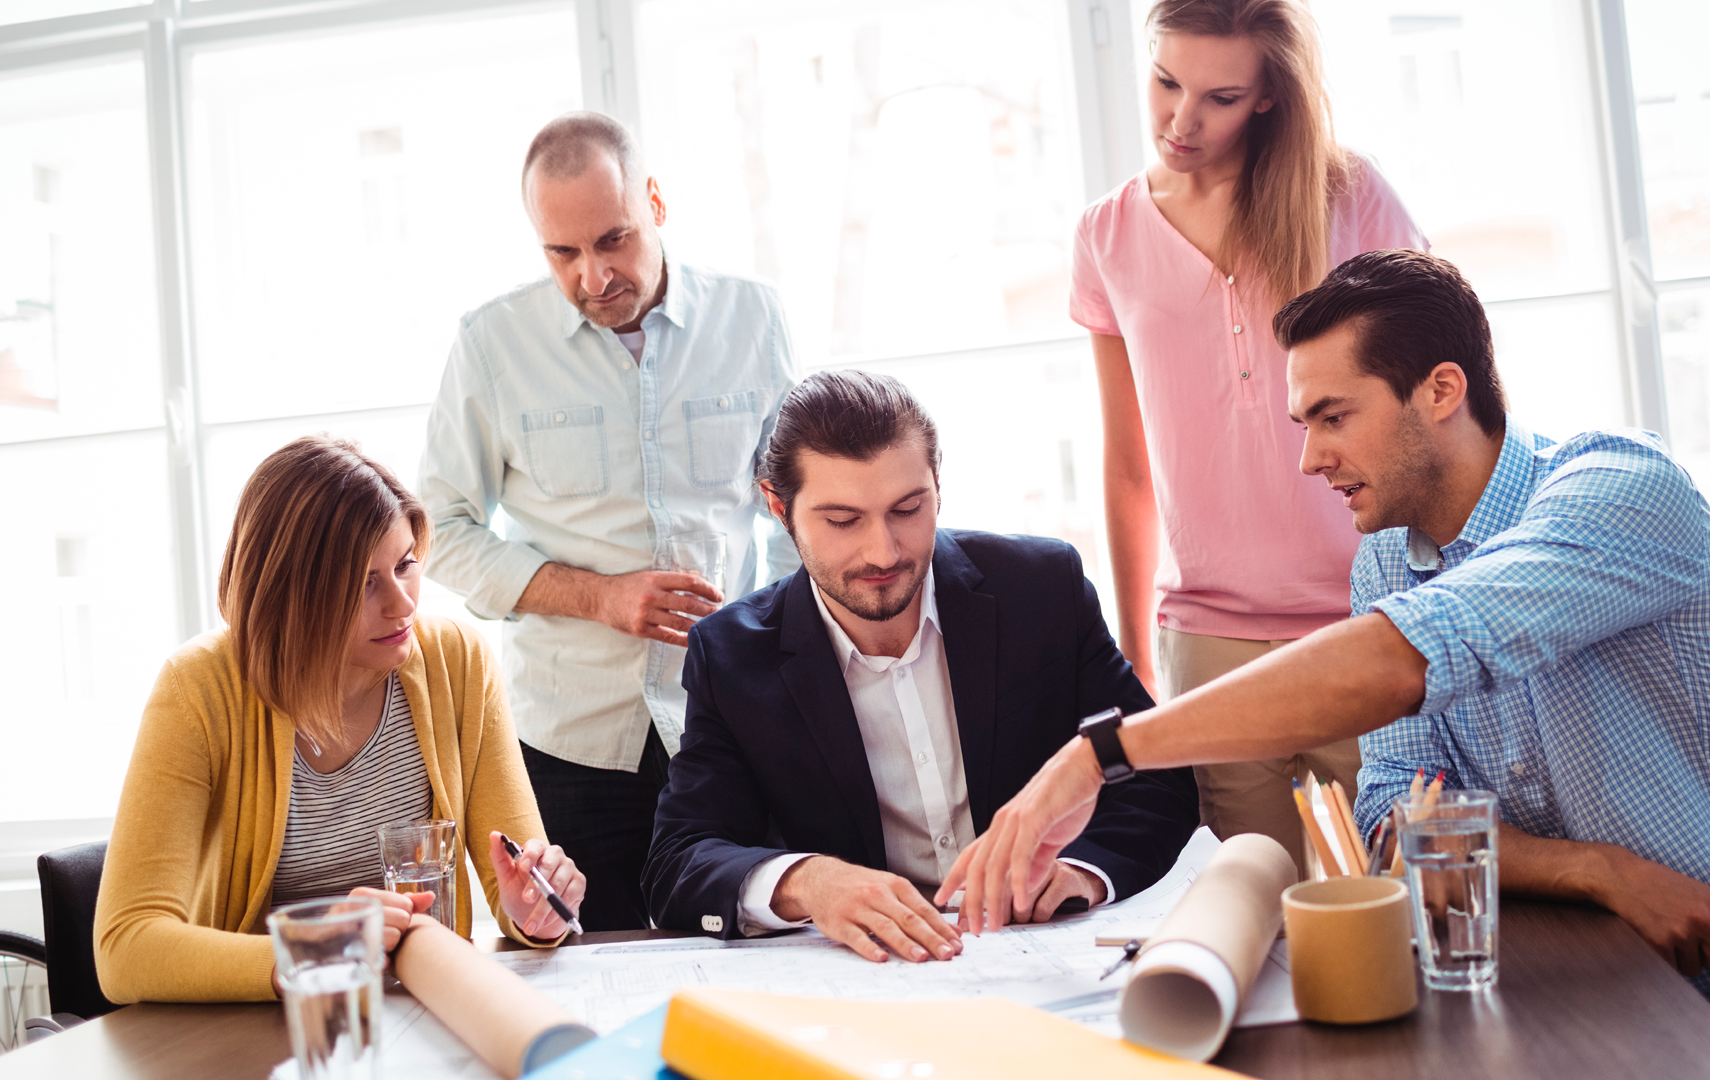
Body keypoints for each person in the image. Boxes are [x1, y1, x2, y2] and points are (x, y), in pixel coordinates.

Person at [941, 251, 1710, 1079]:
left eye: (1333, 416)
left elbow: (1404, 661)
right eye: (1305, 422)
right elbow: (1395, 817)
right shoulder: (1390, 557)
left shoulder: (1619, 493)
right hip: (1572, 1022)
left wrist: (1103, 752)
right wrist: (1594, 868)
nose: (1311, 458)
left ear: (1439, 390)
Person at [642, 371, 1199, 962]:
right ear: (779, 508)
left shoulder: (1042, 589)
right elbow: (678, 861)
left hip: (1050, 959)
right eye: (842, 521)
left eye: (908, 509)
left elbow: (1154, 775)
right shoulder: (730, 655)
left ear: (938, 484)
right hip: (871, 986)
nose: (883, 552)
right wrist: (809, 882)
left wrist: (1083, 872)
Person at [418, 112, 799, 930]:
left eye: (614, 239)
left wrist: (772, 647)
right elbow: (438, 530)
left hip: (730, 723)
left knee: (751, 954)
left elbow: (793, 518)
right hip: (573, 746)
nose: (594, 276)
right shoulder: (491, 345)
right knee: (591, 972)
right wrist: (598, 597)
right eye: (563, 253)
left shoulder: (755, 321)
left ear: (656, 202)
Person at [1071, 0, 1426, 874]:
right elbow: (1127, 466)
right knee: (1248, 916)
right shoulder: (1106, 235)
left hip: (1366, 619)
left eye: (1219, 97)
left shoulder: (1351, 197)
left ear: (1269, 96)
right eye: (1164, 82)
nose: (1180, 121)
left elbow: (1435, 399)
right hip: (1209, 637)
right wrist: (1134, 656)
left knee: (1396, 904)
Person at [96, 437, 585, 1004]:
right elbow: (125, 947)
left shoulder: (459, 662)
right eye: (363, 583)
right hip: (268, 1032)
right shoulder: (199, 690)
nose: (403, 604)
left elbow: (520, 888)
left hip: (424, 1015)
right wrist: (315, 947)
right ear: (289, 594)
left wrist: (536, 911)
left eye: (405, 565)